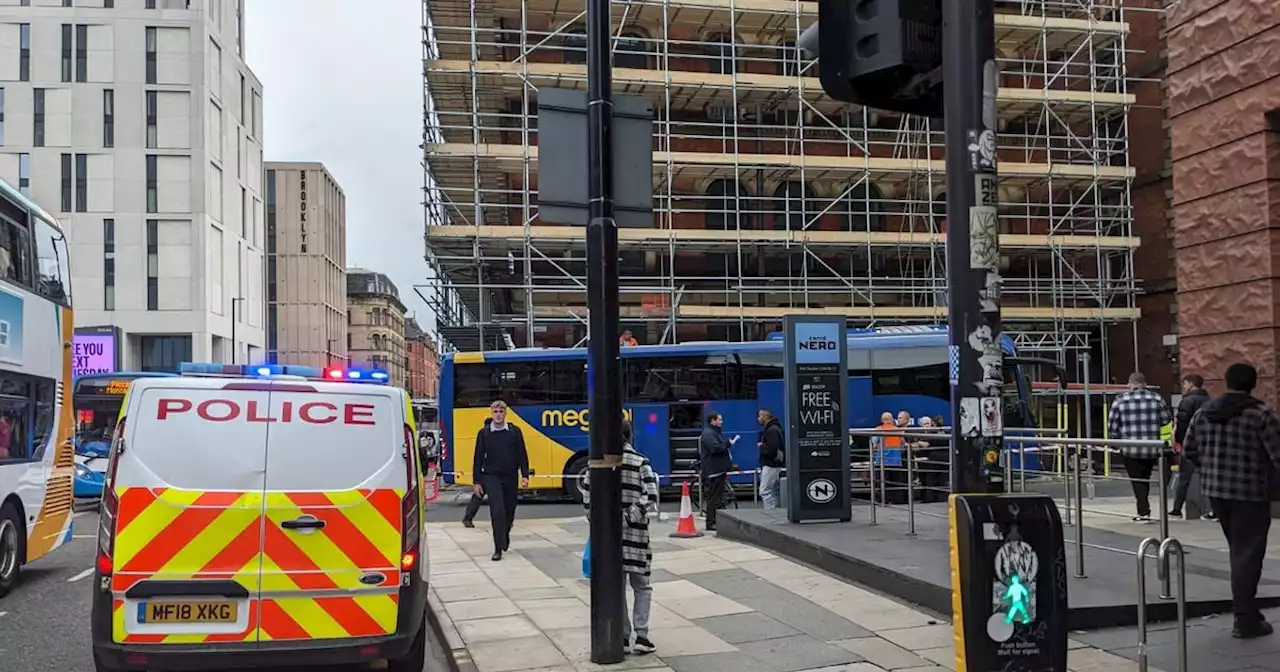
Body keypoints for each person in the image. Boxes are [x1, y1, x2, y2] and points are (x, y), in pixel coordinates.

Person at [1182, 363, 1280, 638]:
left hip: (1217, 493)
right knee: (1248, 555)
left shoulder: (1204, 412)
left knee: (1239, 551)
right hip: (1250, 493)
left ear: (1225, 381)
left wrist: (1209, 471)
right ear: (1254, 383)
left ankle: (1246, 612)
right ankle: (1245, 618)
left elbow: (1189, 448)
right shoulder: (1260, 414)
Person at [582, 420, 658, 654]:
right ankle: (642, 635)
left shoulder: (596, 464)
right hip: (636, 536)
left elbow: (587, 495)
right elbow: (651, 496)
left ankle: (622, 635)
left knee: (618, 586)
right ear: (630, 436)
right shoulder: (640, 462)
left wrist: (602, 522)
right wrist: (629, 517)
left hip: (610, 539)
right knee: (642, 586)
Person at [1107, 372, 1174, 523]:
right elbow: (1165, 420)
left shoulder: (1120, 400)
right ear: (1145, 383)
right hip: (1151, 447)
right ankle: (1144, 509)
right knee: (1145, 477)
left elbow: (1112, 426)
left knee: (1137, 479)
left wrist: (1116, 442)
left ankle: (1143, 511)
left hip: (1130, 448)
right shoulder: (1156, 398)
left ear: (1129, 384)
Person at [472, 400, 530, 561]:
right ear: (491, 413)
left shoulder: (514, 432)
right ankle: (498, 548)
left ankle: (505, 534)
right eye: (495, 412)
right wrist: (476, 481)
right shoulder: (484, 433)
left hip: (511, 476)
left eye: (501, 412)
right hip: (492, 477)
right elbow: (478, 457)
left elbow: (522, 454)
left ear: (505, 414)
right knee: (497, 511)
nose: (498, 415)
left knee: (509, 512)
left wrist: (525, 475)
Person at [1170, 373, 1212, 520]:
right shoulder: (1210, 401)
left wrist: (1179, 443)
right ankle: (1211, 511)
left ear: (1191, 384)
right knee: (1207, 477)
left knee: (1184, 478)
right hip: (1207, 445)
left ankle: (1177, 509)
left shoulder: (1187, 401)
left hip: (1190, 444)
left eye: (1185, 384)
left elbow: (1182, 424)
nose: (1183, 387)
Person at [698, 411, 736, 531]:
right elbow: (714, 448)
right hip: (714, 470)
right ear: (713, 421)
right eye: (719, 419)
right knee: (714, 497)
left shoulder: (712, 432)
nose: (721, 422)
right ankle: (711, 522)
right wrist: (727, 444)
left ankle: (715, 520)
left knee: (717, 497)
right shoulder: (709, 433)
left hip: (718, 469)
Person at [756, 409, 785, 509]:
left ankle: (770, 512)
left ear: (765, 417)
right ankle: (774, 512)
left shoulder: (771, 430)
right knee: (773, 491)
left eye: (759, 416)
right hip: (775, 464)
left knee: (764, 491)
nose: (758, 419)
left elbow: (772, 449)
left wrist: (761, 446)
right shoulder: (775, 428)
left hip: (770, 464)